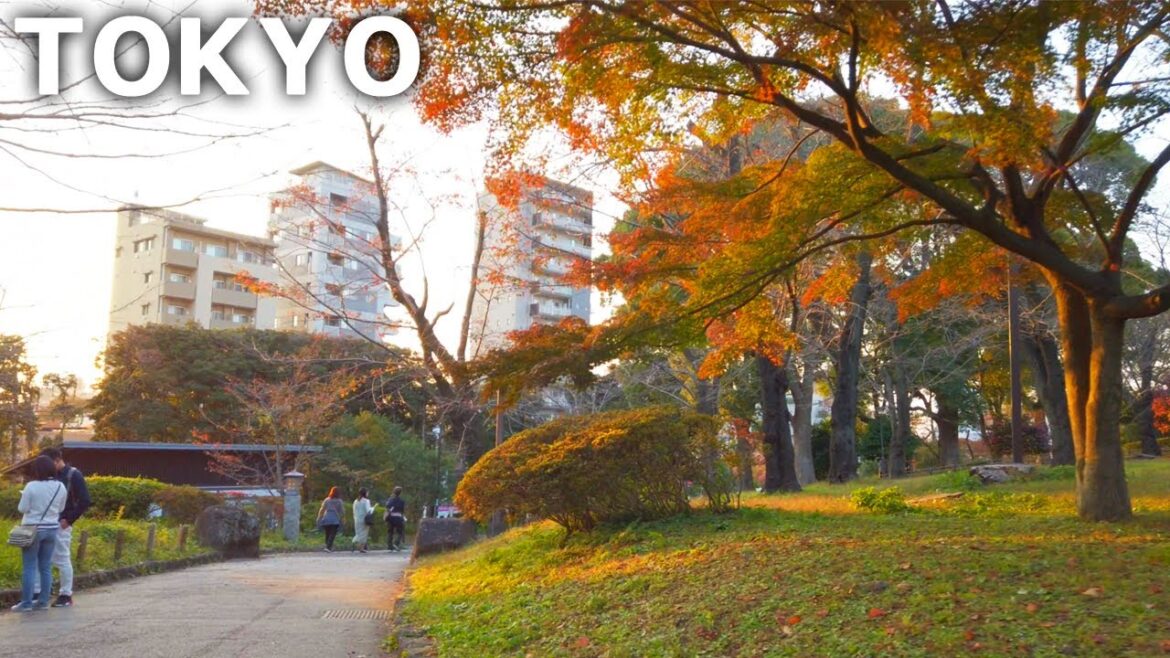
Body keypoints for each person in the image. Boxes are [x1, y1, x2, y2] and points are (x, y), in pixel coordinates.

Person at [11, 456, 67, 612]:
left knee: (29, 567)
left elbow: (22, 509)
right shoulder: (60, 486)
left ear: (36, 470)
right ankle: (43, 602)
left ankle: (27, 603)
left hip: (32, 530)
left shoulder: (31, 486)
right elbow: (61, 508)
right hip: (51, 529)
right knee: (45, 567)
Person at [38, 448, 91, 608]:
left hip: (62, 523)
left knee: (62, 559)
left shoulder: (73, 474)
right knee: (42, 559)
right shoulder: (49, 476)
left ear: (56, 460)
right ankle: (41, 593)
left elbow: (85, 500)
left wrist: (69, 520)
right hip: (45, 523)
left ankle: (66, 594)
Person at [316, 487, 344, 552]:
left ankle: (328, 546)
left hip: (326, 518)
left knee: (327, 533)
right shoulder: (339, 501)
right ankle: (328, 547)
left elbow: (322, 509)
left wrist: (319, 517)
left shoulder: (327, 500)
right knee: (332, 534)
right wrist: (342, 518)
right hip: (335, 519)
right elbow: (342, 511)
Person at [352, 488, 375, 553]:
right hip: (364, 519)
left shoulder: (355, 501)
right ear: (365, 493)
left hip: (357, 519)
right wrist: (373, 508)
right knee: (364, 534)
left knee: (358, 533)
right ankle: (359, 545)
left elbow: (354, 511)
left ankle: (358, 546)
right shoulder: (366, 501)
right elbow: (368, 511)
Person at [384, 486, 406, 551]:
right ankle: (396, 543)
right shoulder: (402, 501)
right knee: (400, 531)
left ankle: (389, 546)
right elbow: (402, 511)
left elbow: (387, 508)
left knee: (390, 531)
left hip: (390, 517)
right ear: (400, 493)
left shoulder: (390, 500)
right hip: (398, 517)